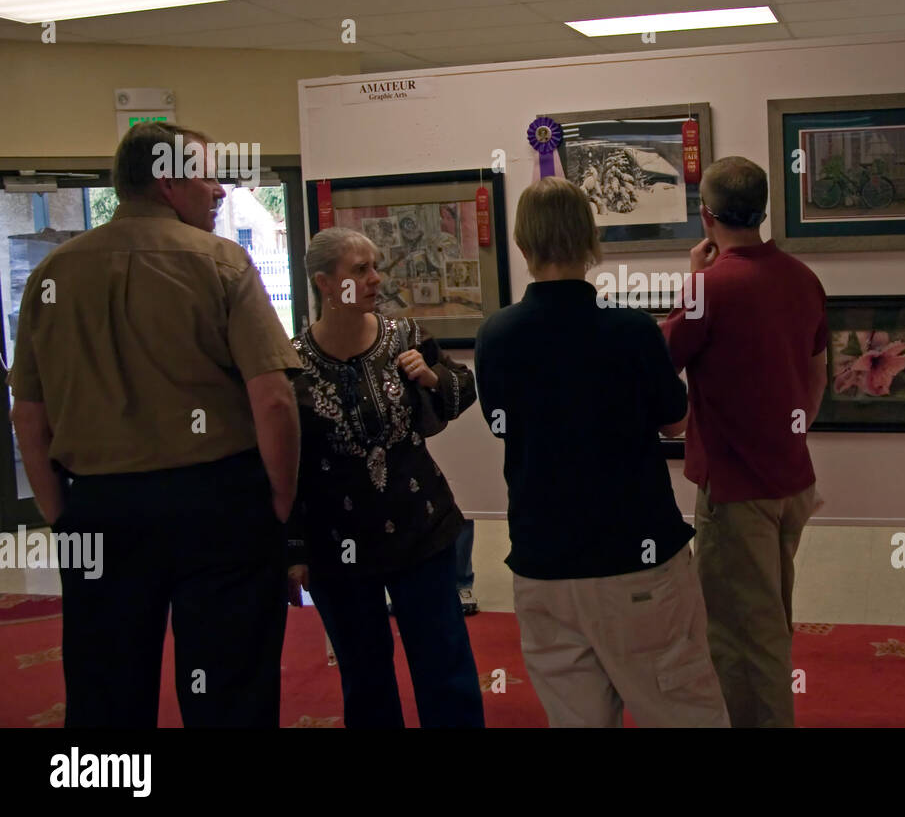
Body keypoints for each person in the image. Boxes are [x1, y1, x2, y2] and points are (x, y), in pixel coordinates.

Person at [8, 120, 301, 727]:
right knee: (230, 684)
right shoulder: (222, 264)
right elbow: (273, 399)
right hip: (218, 502)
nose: (220, 191)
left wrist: (62, 513)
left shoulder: (53, 274)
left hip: (99, 504)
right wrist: (279, 498)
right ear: (167, 181)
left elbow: (27, 416)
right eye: (208, 176)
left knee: (104, 684)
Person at [475, 177, 728, 728]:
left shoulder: (495, 335)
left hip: (543, 563)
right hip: (634, 557)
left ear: (522, 244)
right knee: (683, 708)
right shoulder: (630, 331)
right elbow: (676, 420)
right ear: (592, 241)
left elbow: (503, 427)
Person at [286, 227, 483, 728]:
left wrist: (433, 378)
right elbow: (289, 464)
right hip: (339, 543)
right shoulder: (293, 366)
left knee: (445, 665)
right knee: (365, 673)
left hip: (421, 526)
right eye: (360, 270)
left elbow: (463, 391)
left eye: (375, 267)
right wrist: (293, 550)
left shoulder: (406, 337)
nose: (375, 279)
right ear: (325, 283)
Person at [660, 155, 828, 728]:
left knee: (741, 638)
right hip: (793, 481)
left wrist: (693, 280)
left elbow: (655, 367)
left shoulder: (711, 288)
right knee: (770, 619)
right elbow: (818, 375)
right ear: (763, 210)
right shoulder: (803, 279)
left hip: (736, 493)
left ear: (706, 215)